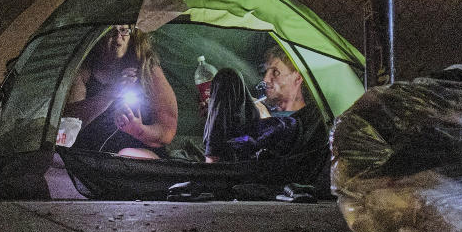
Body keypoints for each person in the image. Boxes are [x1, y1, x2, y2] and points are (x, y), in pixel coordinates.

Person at [63, 24, 178, 159]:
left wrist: (138, 129)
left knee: (126, 154)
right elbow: (69, 124)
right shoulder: (84, 71)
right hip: (92, 156)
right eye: (110, 32)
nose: (118, 37)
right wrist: (111, 93)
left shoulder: (147, 67)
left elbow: (167, 131)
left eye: (123, 31)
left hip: (139, 154)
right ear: (98, 36)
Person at [202, 46, 321, 163]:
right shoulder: (256, 107)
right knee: (228, 78)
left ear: (297, 78)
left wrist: (266, 118)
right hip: (234, 146)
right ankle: (213, 159)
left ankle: (213, 164)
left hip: (254, 159)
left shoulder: (308, 117)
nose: (266, 79)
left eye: (275, 72)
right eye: (266, 72)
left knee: (228, 75)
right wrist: (215, 112)